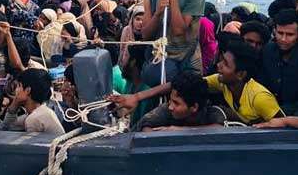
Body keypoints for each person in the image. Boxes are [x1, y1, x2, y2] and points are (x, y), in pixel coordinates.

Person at [110, 39, 281, 125]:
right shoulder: (221, 81)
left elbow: (284, 130)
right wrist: (137, 97)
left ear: (241, 74)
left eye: (226, 64)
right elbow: (182, 84)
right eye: (221, 61)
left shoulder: (260, 97)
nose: (219, 66)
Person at [258, 9, 298, 116]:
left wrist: (278, 112)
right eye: (280, 33)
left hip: (293, 117)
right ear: (274, 31)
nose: (283, 39)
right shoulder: (267, 51)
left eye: (289, 35)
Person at [135, 71, 227, 132]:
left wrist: (181, 130)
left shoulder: (212, 114)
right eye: (171, 101)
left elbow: (219, 128)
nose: (170, 107)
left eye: (176, 103)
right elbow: (144, 125)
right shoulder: (167, 110)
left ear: (194, 107)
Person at [4, 68, 65, 134]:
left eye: (19, 86)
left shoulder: (33, 119)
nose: (16, 90)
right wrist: (15, 103)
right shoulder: (42, 111)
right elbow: (9, 126)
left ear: (28, 90)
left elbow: (6, 130)